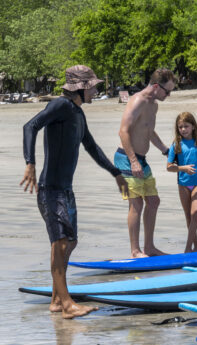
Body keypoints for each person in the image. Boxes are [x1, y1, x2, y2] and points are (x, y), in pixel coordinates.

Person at [20, 65, 128, 319]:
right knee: (59, 243)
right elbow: (30, 126)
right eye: (93, 86)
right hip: (51, 189)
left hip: (65, 189)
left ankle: (58, 299)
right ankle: (67, 304)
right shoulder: (60, 106)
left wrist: (116, 173)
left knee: (70, 241)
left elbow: (91, 145)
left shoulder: (77, 113)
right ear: (81, 87)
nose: (96, 90)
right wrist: (30, 163)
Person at [115, 68, 176, 258]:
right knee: (136, 205)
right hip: (126, 158)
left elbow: (149, 132)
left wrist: (166, 150)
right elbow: (123, 131)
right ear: (157, 87)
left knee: (153, 201)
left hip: (141, 159)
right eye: (168, 91)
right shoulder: (137, 101)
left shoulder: (154, 105)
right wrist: (133, 161)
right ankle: (135, 251)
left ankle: (149, 248)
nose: (169, 95)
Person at [166, 112, 197, 252]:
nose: (183, 129)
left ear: (193, 126)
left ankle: (187, 248)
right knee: (188, 216)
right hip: (183, 185)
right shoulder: (176, 144)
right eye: (180, 127)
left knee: (196, 212)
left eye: (186, 126)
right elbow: (169, 167)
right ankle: (196, 246)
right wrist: (183, 168)